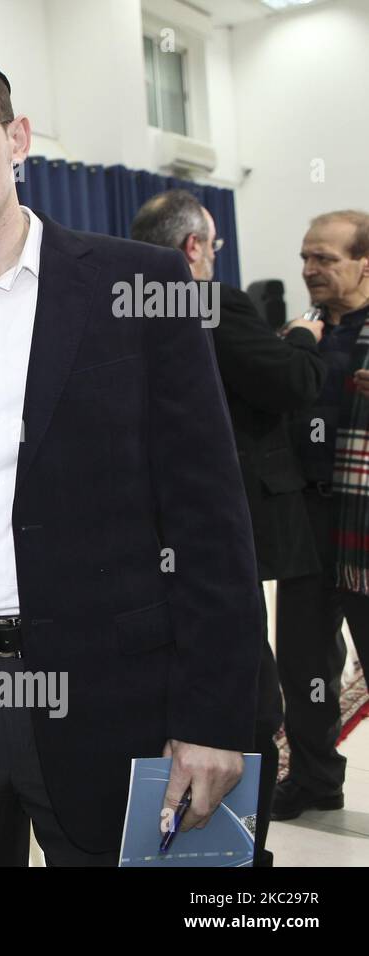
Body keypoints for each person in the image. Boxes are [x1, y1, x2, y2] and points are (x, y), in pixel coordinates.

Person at [0, 47, 261, 866]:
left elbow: (210, 517)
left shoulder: (143, 287)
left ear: (18, 138)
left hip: (125, 705)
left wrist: (215, 719)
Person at [131, 188, 326, 864]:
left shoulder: (114, 306)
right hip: (226, 536)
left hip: (144, 559)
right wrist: (300, 337)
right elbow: (291, 381)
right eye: (211, 247)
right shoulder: (213, 302)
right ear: (193, 249)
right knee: (248, 703)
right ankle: (238, 862)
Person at [273, 209, 369, 821]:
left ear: (364, 263)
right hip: (305, 522)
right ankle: (314, 779)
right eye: (306, 257)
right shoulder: (296, 337)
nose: (310, 270)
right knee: (303, 663)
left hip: (363, 529)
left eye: (326, 259)